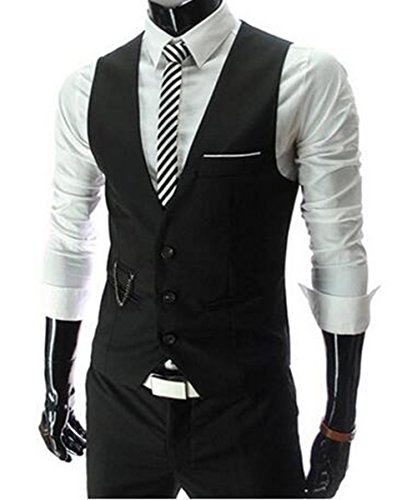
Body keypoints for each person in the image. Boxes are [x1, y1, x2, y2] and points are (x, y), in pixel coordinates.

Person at [38, 0, 379, 497]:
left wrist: (340, 421)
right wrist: (55, 385)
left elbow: (338, 252)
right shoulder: (85, 88)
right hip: (121, 401)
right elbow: (69, 239)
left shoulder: (304, 77)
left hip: (246, 412)